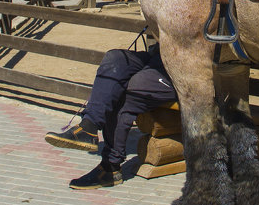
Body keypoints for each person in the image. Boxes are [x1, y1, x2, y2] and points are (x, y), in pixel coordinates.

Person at [46, 43, 177, 189]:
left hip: (187, 63)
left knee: (133, 86)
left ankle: (110, 167)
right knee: (115, 59)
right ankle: (88, 126)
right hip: (160, 54)